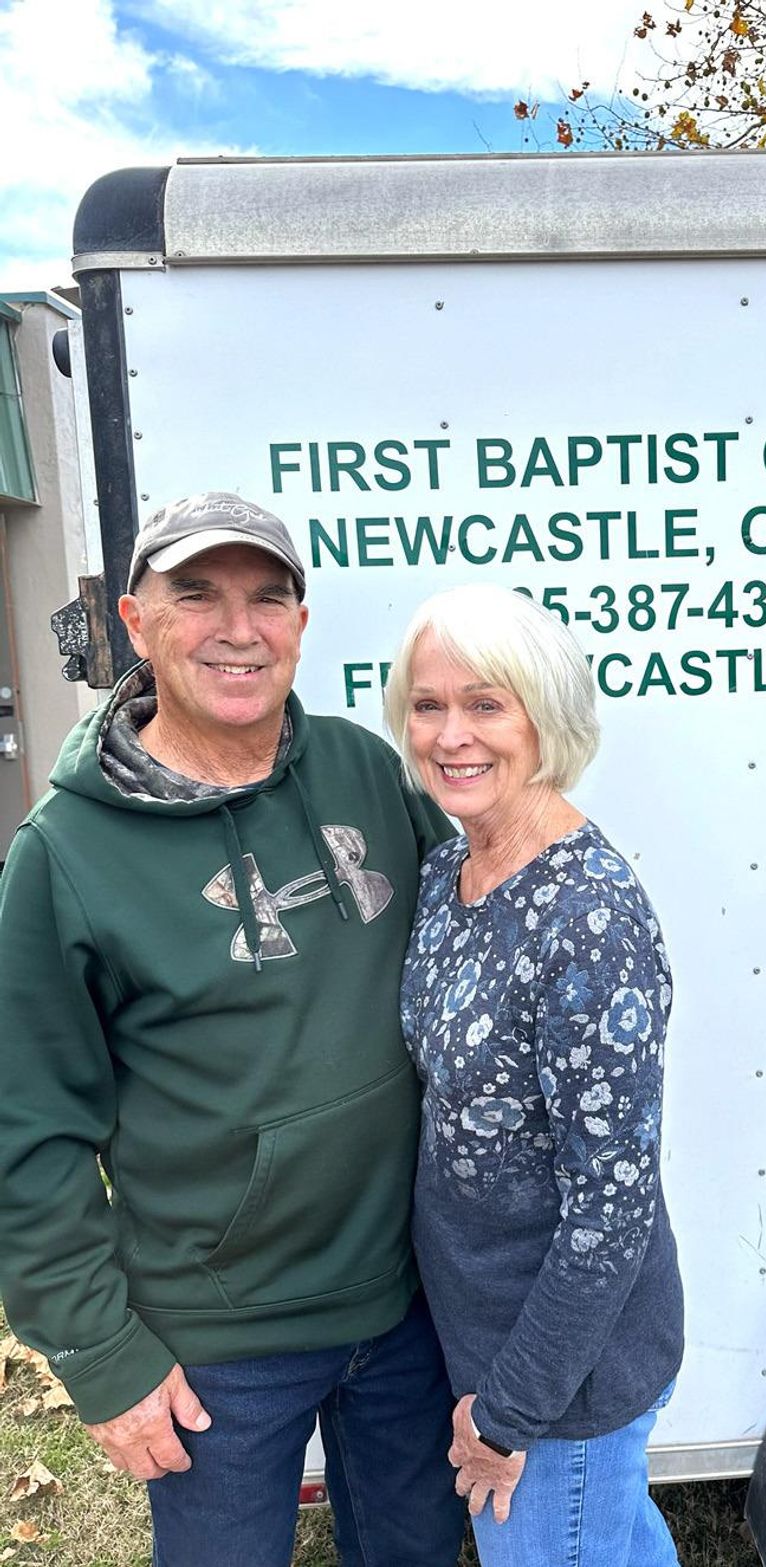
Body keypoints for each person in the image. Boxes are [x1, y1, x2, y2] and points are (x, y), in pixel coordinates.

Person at [0, 493, 465, 1567]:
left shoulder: (372, 772)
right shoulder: (64, 855)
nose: (238, 627)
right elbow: (29, 1134)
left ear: (302, 624)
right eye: (196, 594)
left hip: (405, 1303)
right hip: (217, 1345)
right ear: (135, 619)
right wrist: (103, 1355)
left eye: (268, 598)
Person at [384, 582, 684, 1567]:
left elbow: (612, 1210)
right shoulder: (447, 871)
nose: (452, 734)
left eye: (486, 703)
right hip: (485, 1341)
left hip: (558, 1387)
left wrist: (508, 1413)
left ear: (542, 718)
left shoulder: (587, 918)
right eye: (429, 705)